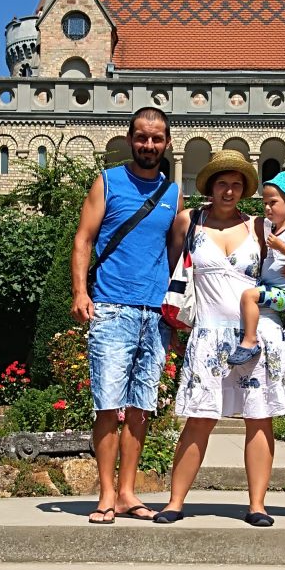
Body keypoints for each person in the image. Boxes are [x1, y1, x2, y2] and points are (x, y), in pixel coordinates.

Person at [154, 150, 285, 528]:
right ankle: (175, 502)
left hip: (256, 334)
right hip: (208, 334)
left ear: (244, 189)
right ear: (210, 187)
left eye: (236, 185)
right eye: (222, 184)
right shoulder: (190, 221)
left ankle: (258, 505)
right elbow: (170, 270)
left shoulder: (260, 227)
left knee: (258, 419)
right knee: (199, 418)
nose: (228, 191)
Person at [71, 107, 181, 524]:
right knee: (107, 405)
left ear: (167, 143)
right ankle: (105, 494)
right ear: (130, 139)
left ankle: (127, 493)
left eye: (156, 138)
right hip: (112, 307)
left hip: (155, 314)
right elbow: (84, 239)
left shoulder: (173, 193)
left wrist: (174, 309)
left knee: (141, 407)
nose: (149, 145)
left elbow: (175, 253)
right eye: (142, 137)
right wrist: (80, 292)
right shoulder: (108, 181)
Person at [228, 170, 285, 365]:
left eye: (273, 203)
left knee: (249, 296)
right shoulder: (273, 228)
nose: (267, 208)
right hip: (270, 287)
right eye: (265, 204)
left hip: (284, 293)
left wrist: (281, 247)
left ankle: (250, 341)